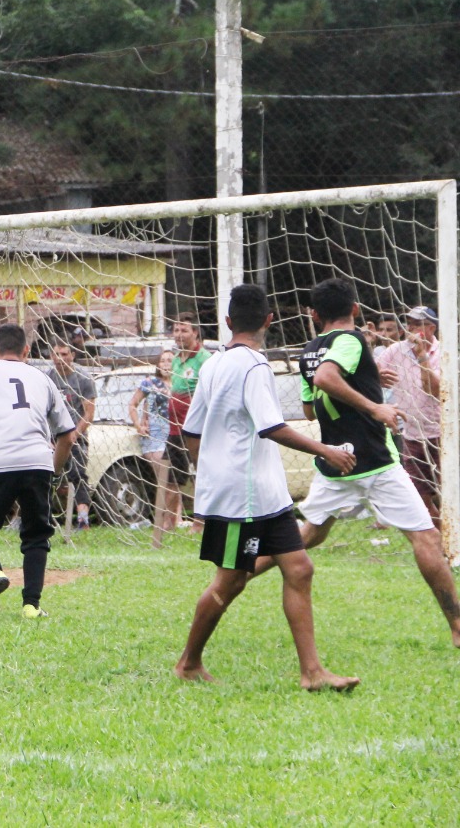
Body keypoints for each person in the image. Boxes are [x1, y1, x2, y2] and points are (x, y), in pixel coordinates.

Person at [173, 284, 360, 691]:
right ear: (269, 320)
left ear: (227, 323)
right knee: (231, 581)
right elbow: (271, 427)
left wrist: (208, 471)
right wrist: (324, 449)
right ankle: (188, 663)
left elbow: (191, 432)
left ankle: (313, 673)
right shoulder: (256, 366)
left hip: (263, 492)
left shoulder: (212, 365)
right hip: (243, 496)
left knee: (299, 567)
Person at [253, 281, 460, 647]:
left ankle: (236, 576)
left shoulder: (310, 351)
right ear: (356, 309)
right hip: (373, 459)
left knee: (308, 536)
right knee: (425, 537)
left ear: (313, 315)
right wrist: (374, 405)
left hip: (335, 461)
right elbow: (327, 378)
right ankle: (458, 628)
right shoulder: (350, 341)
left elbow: (309, 404)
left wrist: (365, 379)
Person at [0, 324, 75, 619]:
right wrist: (53, 471)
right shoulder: (43, 378)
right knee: (36, 537)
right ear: (27, 353)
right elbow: (67, 437)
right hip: (37, 462)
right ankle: (31, 605)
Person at [373, 305, 441, 528]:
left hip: (443, 435)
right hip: (412, 435)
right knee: (419, 496)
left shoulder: (444, 352)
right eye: (409, 323)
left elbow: (435, 390)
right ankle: (444, 542)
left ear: (431, 328)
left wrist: (422, 357)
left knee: (449, 494)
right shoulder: (396, 350)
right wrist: (377, 375)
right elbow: (370, 371)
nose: (411, 328)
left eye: (418, 324)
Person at [128, 350, 179, 548]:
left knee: (176, 479)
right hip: (156, 435)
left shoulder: (181, 384)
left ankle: (174, 520)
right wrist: (139, 425)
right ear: (157, 364)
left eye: (170, 360)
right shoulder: (150, 383)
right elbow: (133, 404)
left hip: (176, 434)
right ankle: (164, 521)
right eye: (163, 360)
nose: (166, 363)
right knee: (164, 478)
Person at [45, 340, 96, 529]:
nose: (60, 359)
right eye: (56, 354)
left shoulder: (83, 379)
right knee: (44, 476)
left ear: (72, 356)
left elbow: (89, 413)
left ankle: (83, 518)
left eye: (64, 354)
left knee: (79, 475)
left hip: (76, 436)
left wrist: (75, 433)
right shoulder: (47, 378)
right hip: (51, 438)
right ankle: (39, 518)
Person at [166, 313, 211, 527]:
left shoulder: (205, 359)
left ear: (195, 332)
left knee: (202, 474)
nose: (179, 334)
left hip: (196, 428)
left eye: (184, 330)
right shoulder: (175, 359)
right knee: (171, 477)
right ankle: (167, 523)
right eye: (175, 330)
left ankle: (200, 522)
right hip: (175, 429)